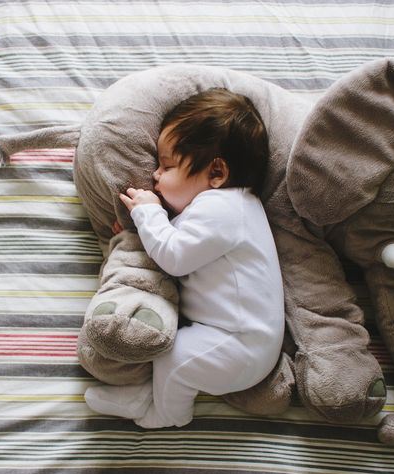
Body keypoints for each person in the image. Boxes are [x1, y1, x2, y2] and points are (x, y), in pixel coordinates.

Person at [84, 88, 284, 428]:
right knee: (165, 348)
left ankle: (166, 414)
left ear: (216, 173)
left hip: (240, 346)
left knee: (174, 356)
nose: (156, 175)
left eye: (168, 165)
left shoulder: (224, 208)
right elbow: (176, 243)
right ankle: (150, 394)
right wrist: (137, 233)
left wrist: (148, 214)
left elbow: (174, 257)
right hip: (235, 342)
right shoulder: (221, 210)